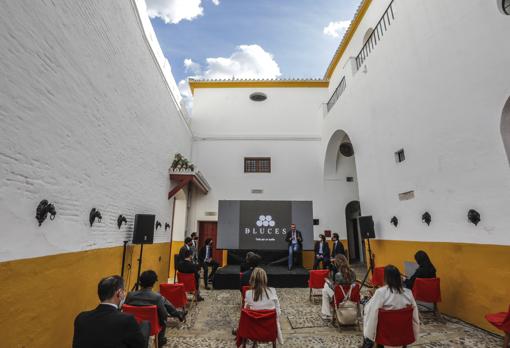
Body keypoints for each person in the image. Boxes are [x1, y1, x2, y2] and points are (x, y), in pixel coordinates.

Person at [73, 275, 148, 348]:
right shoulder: (127, 320)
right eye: (124, 291)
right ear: (119, 293)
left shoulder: (81, 318)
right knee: (145, 324)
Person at [361, 265, 420, 348]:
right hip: (403, 332)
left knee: (367, 311)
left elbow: (372, 311)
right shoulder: (408, 293)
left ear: (386, 278)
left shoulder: (381, 292)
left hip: (385, 334)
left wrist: (370, 301)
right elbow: (415, 314)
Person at [126, 270, 187, 347]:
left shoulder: (130, 295)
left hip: (132, 325)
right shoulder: (157, 297)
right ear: (153, 283)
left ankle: (178, 314)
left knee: (162, 300)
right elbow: (164, 314)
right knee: (163, 317)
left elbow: (125, 311)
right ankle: (160, 340)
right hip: (153, 327)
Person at [244, 268, 283, 344]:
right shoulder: (272, 291)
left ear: (252, 279)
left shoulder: (248, 294)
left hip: (254, 329)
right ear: (265, 279)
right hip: (270, 329)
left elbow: (246, 315)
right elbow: (278, 313)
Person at [321, 254, 356, 319]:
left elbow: (336, 289)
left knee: (325, 287)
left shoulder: (338, 275)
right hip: (352, 295)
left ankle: (326, 314)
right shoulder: (353, 272)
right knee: (324, 290)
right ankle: (326, 314)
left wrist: (328, 283)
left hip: (341, 297)